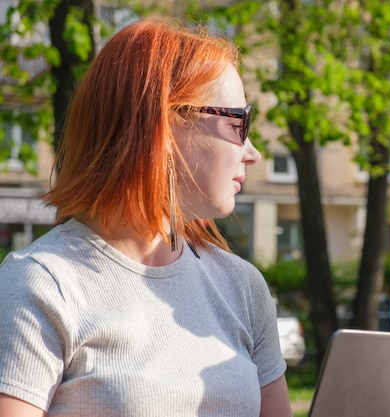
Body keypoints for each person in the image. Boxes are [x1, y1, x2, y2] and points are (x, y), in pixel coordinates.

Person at [0, 19, 292, 417]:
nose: (253, 152)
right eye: (239, 124)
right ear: (164, 125)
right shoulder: (43, 284)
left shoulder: (241, 287)